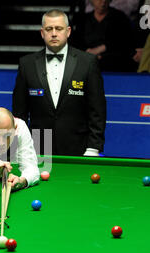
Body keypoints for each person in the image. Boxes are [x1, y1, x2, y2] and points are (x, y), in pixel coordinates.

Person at [12, 9, 107, 156]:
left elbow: (97, 110)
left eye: (59, 28)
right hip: (37, 147)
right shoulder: (27, 64)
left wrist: (93, 147)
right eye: (49, 29)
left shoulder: (87, 62)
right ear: (42, 33)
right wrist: (19, 148)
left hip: (79, 147)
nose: (54, 33)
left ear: (68, 31)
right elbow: (19, 113)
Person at [73, 0, 137, 72]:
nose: (103, 2)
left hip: (112, 61)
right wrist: (88, 52)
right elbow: (76, 42)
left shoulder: (119, 18)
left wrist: (101, 50)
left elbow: (124, 43)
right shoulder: (83, 19)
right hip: (86, 59)